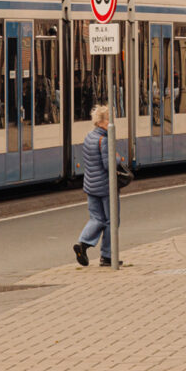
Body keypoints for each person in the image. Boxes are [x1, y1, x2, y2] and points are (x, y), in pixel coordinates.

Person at [73, 104, 114, 267]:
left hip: (90, 185)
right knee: (111, 220)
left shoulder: (89, 137)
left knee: (96, 218)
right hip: (105, 186)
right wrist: (117, 158)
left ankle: (82, 244)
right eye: (109, 120)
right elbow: (108, 164)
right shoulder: (103, 140)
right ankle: (107, 256)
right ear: (103, 122)